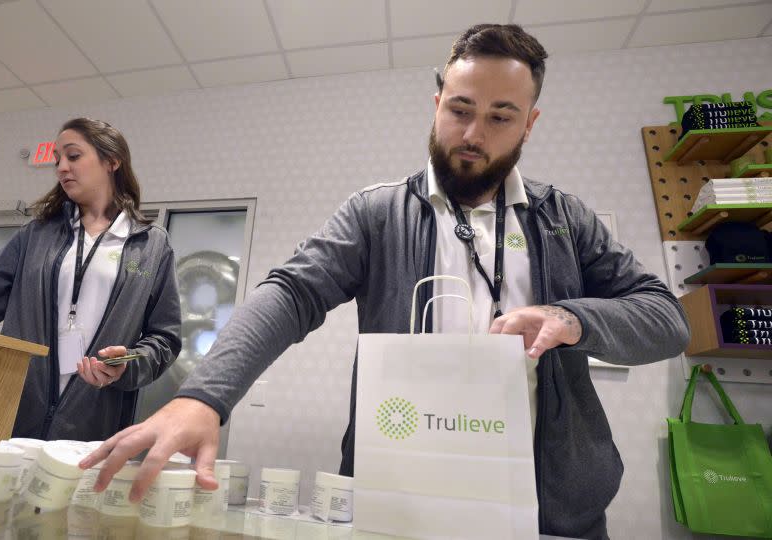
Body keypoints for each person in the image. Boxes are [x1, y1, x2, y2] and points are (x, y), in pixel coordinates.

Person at [81, 25, 689, 539]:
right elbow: (292, 293)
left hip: (553, 511)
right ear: (436, 105)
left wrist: (572, 319)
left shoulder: (565, 220)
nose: (474, 135)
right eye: (460, 109)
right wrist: (202, 396)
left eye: (500, 117)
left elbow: (665, 318)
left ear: (529, 124)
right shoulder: (376, 215)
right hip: (398, 503)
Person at [0, 117, 181, 442]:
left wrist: (129, 365)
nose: (62, 167)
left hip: (94, 421)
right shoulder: (36, 235)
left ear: (112, 161)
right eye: (57, 159)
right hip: (13, 413)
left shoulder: (151, 245)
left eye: (73, 156)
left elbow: (165, 338)